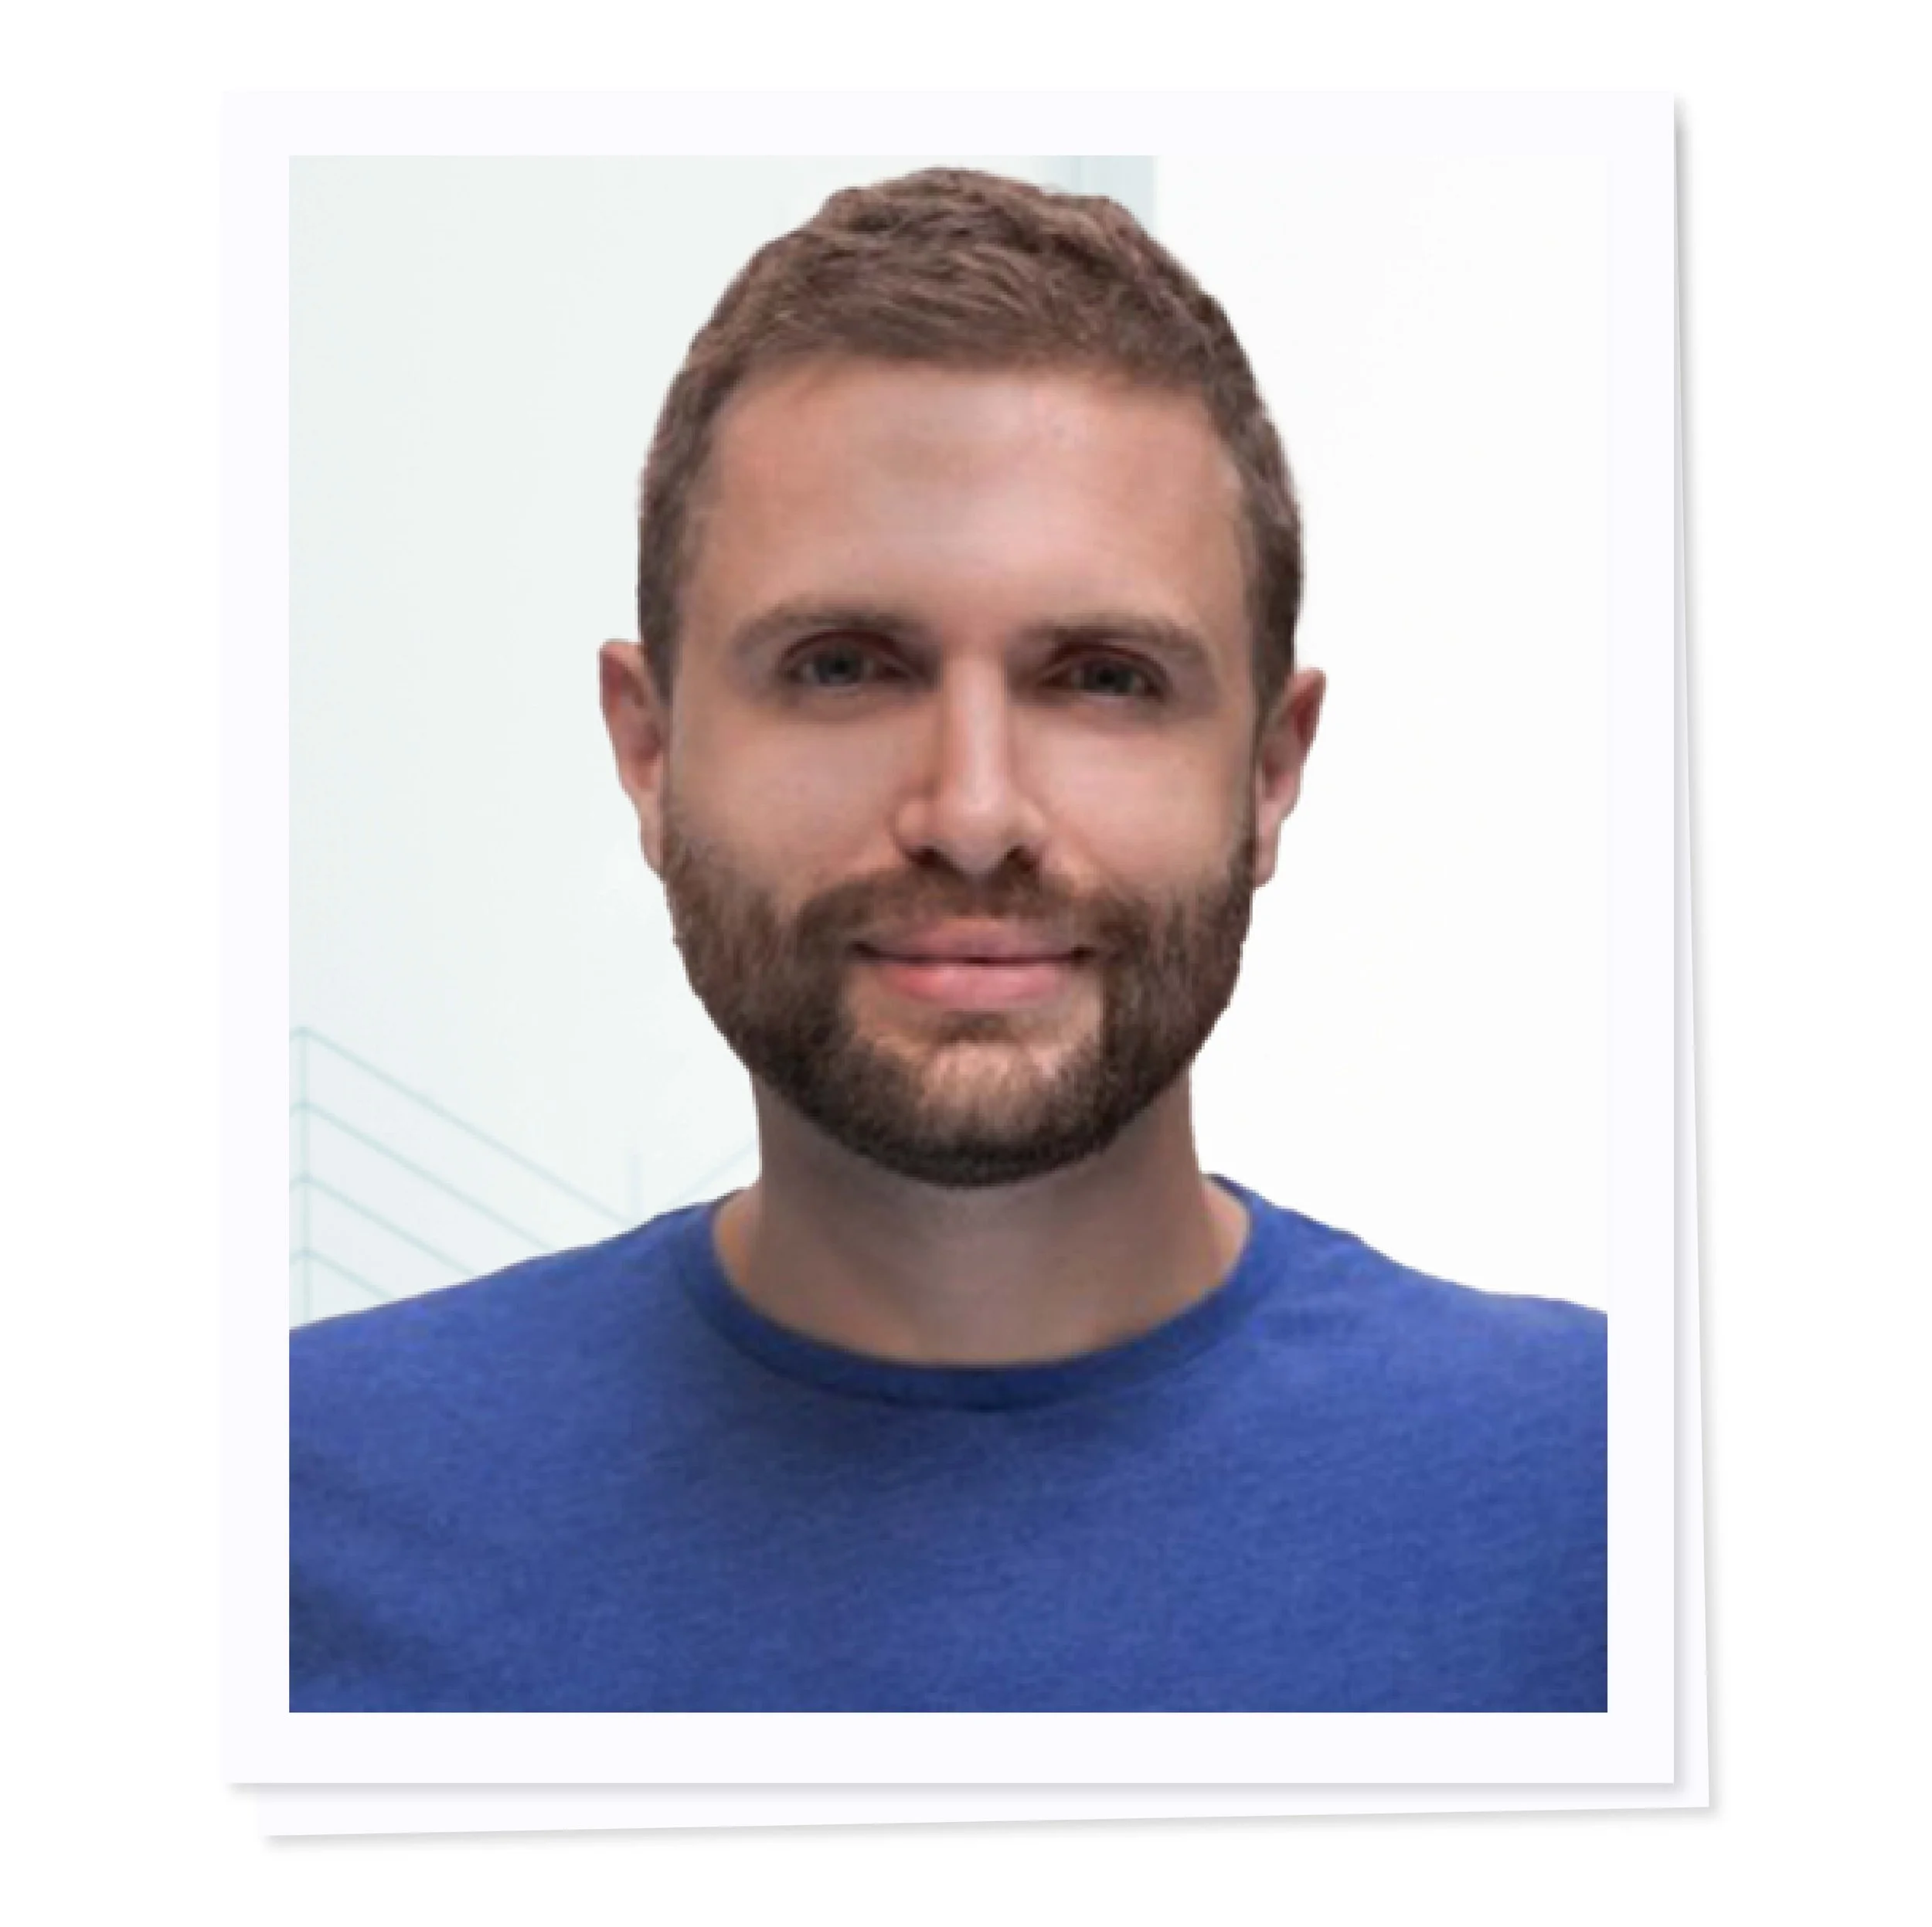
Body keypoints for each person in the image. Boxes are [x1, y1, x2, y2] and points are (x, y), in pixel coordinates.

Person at [290, 167, 1605, 1713]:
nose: (972, 812)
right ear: (649, 749)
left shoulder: (1630, 1507)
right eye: (844, 666)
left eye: (1103, 678)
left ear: (1268, 770)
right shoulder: (270, 1518)